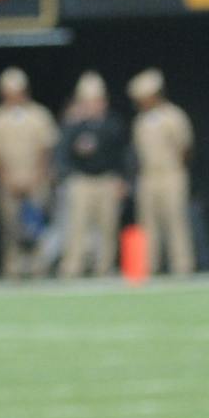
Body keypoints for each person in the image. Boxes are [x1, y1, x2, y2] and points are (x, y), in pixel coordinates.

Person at [0, 68, 61, 278]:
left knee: (37, 227)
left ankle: (39, 269)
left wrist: (37, 176)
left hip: (36, 180)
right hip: (9, 183)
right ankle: (13, 270)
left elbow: (46, 149)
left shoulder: (39, 115)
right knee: (11, 229)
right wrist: (8, 180)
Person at [57, 74, 131, 278]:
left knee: (107, 227)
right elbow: (61, 153)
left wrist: (122, 179)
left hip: (106, 180)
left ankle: (104, 267)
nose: (91, 106)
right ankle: (73, 268)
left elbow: (124, 154)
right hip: (81, 181)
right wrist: (68, 177)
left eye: (95, 101)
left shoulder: (113, 124)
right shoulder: (73, 125)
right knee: (77, 227)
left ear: (103, 102)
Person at [129, 70, 198, 277]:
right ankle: (149, 267)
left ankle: (182, 266)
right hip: (148, 176)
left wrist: (177, 168)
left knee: (175, 220)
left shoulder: (174, 116)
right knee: (147, 223)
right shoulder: (141, 120)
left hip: (172, 174)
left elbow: (185, 147)